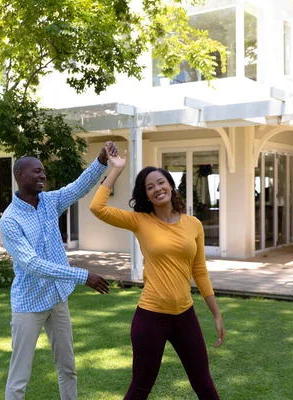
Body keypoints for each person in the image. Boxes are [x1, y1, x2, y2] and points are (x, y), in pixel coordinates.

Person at [89, 149, 224, 400]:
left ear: (171, 186)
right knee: (141, 387)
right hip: (151, 317)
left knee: (204, 384)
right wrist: (117, 168)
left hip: (186, 317)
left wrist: (216, 313)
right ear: (147, 196)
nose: (157, 189)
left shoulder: (193, 224)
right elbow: (97, 207)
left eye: (161, 182)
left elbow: (200, 271)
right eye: (150, 187)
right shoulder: (140, 221)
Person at [0, 142, 118, 400]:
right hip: (28, 304)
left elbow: (78, 188)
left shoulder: (49, 202)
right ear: (20, 176)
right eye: (36, 171)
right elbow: (31, 264)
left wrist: (100, 161)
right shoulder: (10, 221)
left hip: (56, 298)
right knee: (20, 376)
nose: (42, 175)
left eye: (43, 171)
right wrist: (82, 275)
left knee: (68, 367)